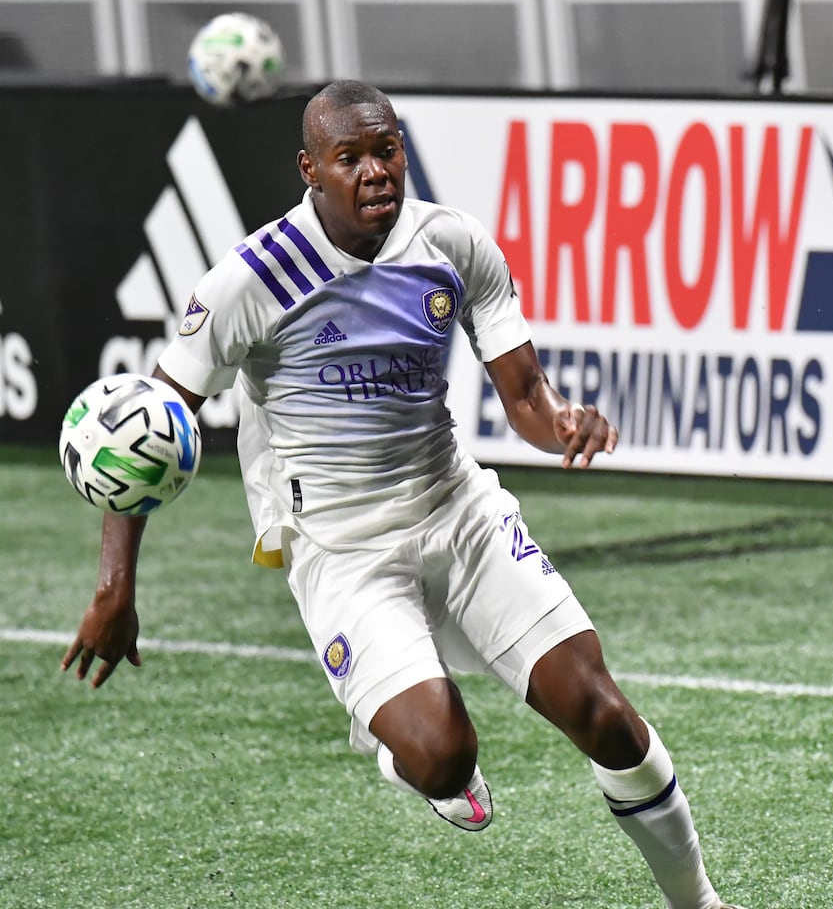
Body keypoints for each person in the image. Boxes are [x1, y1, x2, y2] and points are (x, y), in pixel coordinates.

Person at [62, 80, 743, 909]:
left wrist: (562, 423)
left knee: (605, 718)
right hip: (344, 550)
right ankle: (398, 746)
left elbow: (527, 396)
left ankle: (698, 901)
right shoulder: (249, 280)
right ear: (311, 169)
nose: (375, 172)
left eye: (386, 151)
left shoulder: (451, 243)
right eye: (350, 158)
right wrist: (114, 587)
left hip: (457, 510)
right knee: (444, 757)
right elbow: (145, 432)